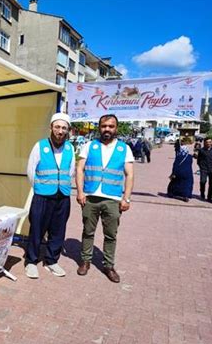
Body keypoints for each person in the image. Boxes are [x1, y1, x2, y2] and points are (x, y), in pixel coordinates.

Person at [75, 114, 134, 283]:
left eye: (111, 126)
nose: (107, 129)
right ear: (99, 127)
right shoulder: (89, 146)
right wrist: (80, 192)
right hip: (91, 196)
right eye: (104, 126)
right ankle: (85, 261)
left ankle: (108, 265)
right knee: (88, 231)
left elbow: (129, 175)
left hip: (113, 199)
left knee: (111, 235)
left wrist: (126, 198)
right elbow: (80, 169)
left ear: (116, 128)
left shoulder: (124, 149)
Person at [25, 112, 75, 279]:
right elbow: (31, 171)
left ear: (68, 130)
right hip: (43, 197)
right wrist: (40, 188)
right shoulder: (39, 146)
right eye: (57, 127)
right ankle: (31, 261)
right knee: (37, 229)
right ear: (51, 128)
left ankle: (51, 261)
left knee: (58, 230)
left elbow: (71, 171)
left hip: (63, 196)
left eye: (63, 128)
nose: (60, 131)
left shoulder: (70, 148)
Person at [196, 137, 212, 202]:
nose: (208, 143)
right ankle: (202, 193)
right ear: (204, 143)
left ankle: (209, 197)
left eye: (210, 142)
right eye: (207, 142)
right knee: (202, 181)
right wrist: (201, 166)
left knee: (211, 184)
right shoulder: (201, 150)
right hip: (204, 169)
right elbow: (198, 160)